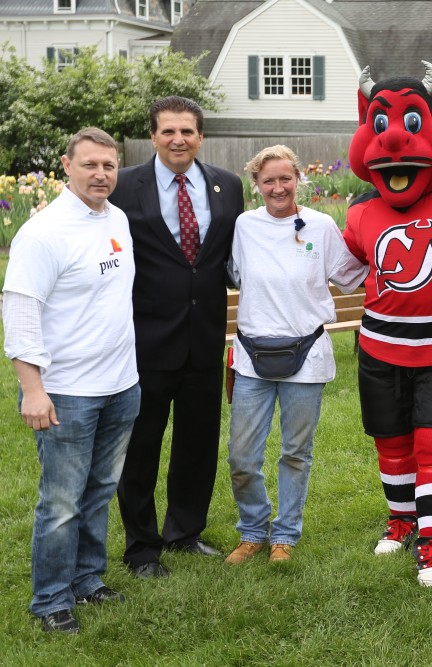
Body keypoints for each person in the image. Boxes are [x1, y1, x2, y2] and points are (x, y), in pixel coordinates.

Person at [343, 62, 432, 586]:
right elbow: (353, 267)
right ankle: (402, 519)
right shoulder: (359, 212)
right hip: (380, 348)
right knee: (392, 443)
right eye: (379, 126)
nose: (396, 142)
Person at [3, 128, 140, 633]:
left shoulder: (117, 219)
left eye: (109, 165)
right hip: (66, 393)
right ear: (67, 166)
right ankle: (51, 600)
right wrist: (33, 389)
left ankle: (87, 580)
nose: (101, 174)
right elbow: (20, 314)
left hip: (121, 385)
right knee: (61, 501)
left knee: (100, 490)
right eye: (90, 165)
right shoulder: (43, 232)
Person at [109, 96, 243, 578]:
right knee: (140, 446)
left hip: (205, 338)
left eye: (187, 131)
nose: (178, 140)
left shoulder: (227, 187)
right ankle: (142, 547)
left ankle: (184, 532)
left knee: (197, 442)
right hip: (144, 341)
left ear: (201, 136)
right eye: (168, 131)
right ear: (154, 136)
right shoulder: (125, 187)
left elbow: (228, 259)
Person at [222, 146, 368, 565]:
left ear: (299, 179)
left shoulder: (321, 226)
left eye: (286, 178)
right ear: (257, 185)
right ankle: (252, 531)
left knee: (295, 453)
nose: (278, 187)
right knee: (242, 456)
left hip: (307, 354)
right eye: (268, 180)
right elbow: (232, 272)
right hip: (252, 355)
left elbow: (351, 276)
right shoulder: (244, 226)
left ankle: (284, 536)